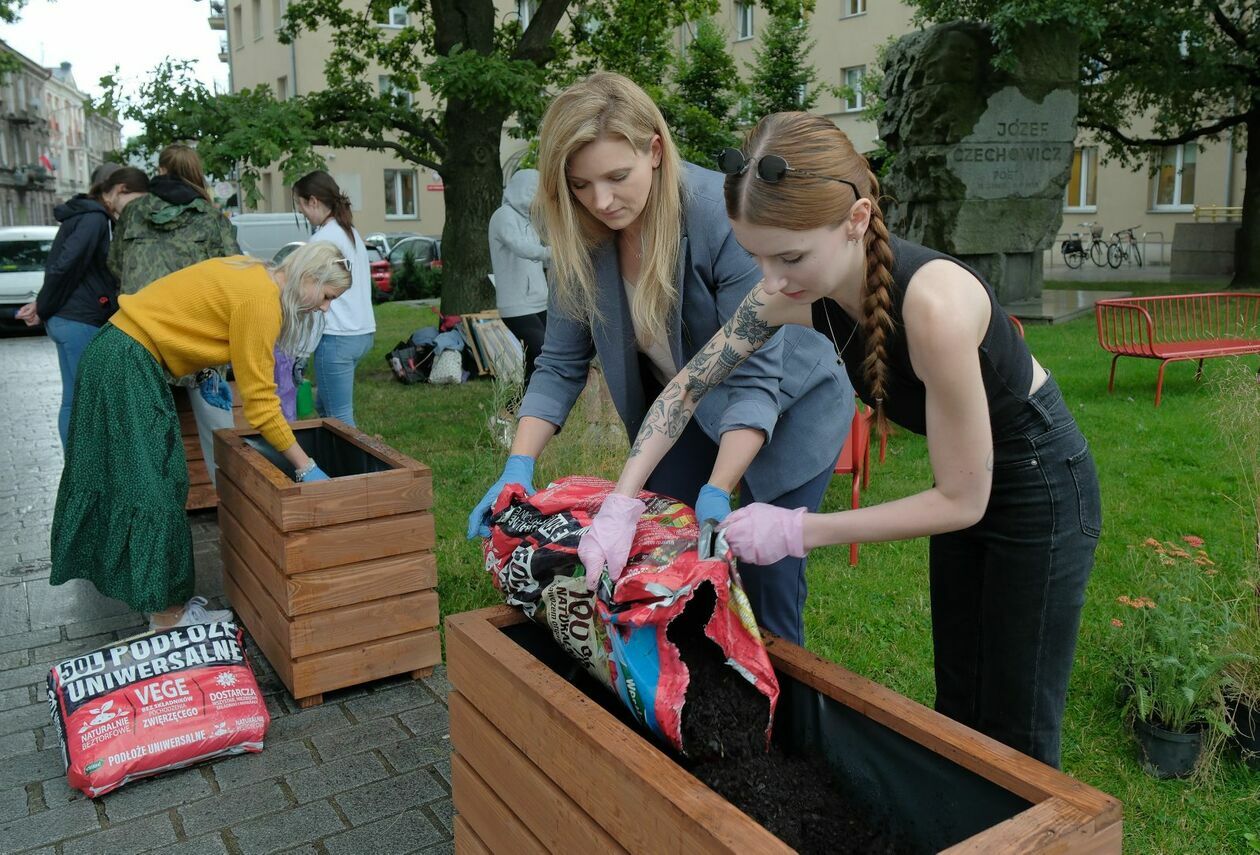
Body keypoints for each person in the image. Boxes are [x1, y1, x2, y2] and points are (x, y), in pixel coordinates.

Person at [582, 112, 1102, 768]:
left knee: (1018, 729)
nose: (770, 281)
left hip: (1041, 489)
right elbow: (687, 387)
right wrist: (622, 501)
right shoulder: (794, 291)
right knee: (963, 705)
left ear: (856, 219)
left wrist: (798, 530)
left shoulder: (933, 308)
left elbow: (963, 500)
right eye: (757, 257)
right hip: (982, 477)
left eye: (790, 256)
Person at [467, 73, 852, 645]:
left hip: (788, 402)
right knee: (661, 560)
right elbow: (560, 364)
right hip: (683, 405)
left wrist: (719, 491)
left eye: (617, 177)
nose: (601, 201)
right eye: (580, 184)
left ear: (654, 149)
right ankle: (676, 696)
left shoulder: (719, 217)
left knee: (762, 580)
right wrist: (517, 467)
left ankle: (777, 711)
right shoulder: (583, 233)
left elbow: (753, 379)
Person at [50, 242, 351, 629]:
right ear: (308, 278)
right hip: (126, 362)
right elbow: (261, 405)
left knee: (145, 480)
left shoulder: (252, 269)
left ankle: (162, 602)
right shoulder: (262, 300)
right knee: (155, 486)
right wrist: (305, 467)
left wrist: (207, 370)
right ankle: (168, 617)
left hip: (117, 352)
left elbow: (196, 314)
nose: (326, 307)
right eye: (327, 296)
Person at [109, 144, 243, 485]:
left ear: (161, 170)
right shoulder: (212, 219)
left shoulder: (133, 213)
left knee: (142, 436)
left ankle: (149, 512)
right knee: (219, 432)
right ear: (196, 173)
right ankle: (233, 505)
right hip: (199, 336)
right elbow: (236, 273)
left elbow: (114, 264)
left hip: (140, 335)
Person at [20, 169, 148, 448]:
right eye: (136, 199)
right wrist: (43, 305)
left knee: (74, 398)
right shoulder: (94, 218)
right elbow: (66, 264)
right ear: (120, 190)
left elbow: (67, 265)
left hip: (69, 317)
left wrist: (45, 305)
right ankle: (83, 470)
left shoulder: (84, 215)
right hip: (79, 319)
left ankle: (76, 466)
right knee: (88, 400)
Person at [292, 170, 376, 426]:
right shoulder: (348, 231)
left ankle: (355, 467)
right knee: (324, 404)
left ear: (313, 201)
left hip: (337, 337)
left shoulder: (322, 239)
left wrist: (299, 350)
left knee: (339, 417)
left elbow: (307, 295)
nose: (303, 213)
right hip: (362, 333)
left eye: (301, 206)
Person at [488, 168, 550, 387]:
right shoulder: (503, 216)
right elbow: (521, 247)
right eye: (535, 192)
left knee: (541, 358)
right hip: (516, 306)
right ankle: (514, 409)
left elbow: (539, 254)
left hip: (539, 302)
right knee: (542, 352)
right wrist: (551, 252)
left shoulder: (528, 220)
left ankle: (521, 411)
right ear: (524, 190)